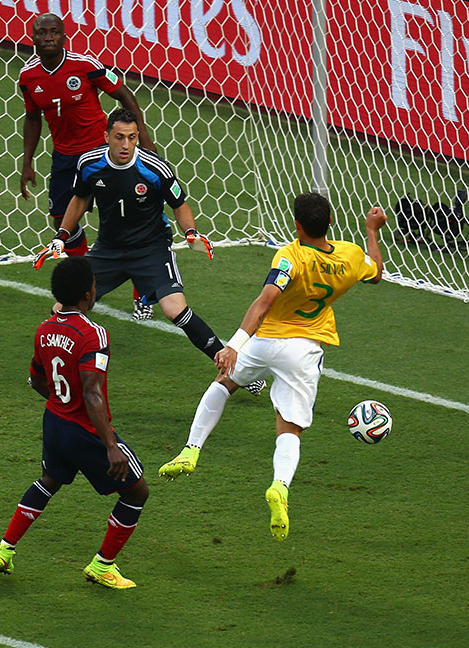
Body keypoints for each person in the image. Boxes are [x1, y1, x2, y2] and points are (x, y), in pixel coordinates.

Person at [159, 193, 387, 542]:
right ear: (330, 221)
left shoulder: (289, 256)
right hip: (305, 350)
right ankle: (279, 488)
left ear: (297, 226)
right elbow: (376, 273)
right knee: (289, 428)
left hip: (266, 341)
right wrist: (372, 230)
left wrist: (233, 346)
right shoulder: (351, 256)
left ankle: (191, 449)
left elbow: (265, 301)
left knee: (223, 383)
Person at [33, 107, 266, 396]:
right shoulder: (89, 164)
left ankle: (238, 371)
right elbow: (80, 200)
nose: (126, 145)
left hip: (151, 249)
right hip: (108, 250)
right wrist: (61, 237)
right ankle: (43, 373)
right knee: (61, 308)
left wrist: (191, 232)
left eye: (132, 137)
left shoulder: (155, 168)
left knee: (174, 310)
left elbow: (179, 204)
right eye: (119, 137)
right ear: (107, 137)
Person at [0, 256, 149, 589]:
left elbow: (36, 380)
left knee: (49, 480)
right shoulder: (94, 335)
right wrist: (110, 446)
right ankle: (103, 566)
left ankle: (4, 550)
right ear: (89, 294)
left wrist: (60, 402)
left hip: (55, 423)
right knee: (136, 492)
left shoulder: (44, 329)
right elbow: (92, 394)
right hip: (86, 431)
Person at [19, 13, 156, 320]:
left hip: (99, 154)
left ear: (64, 35)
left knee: (128, 220)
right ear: (34, 37)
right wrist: (27, 162)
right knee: (61, 221)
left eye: (54, 32)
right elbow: (32, 118)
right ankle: (89, 279)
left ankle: (144, 294)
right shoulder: (28, 77)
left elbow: (124, 95)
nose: (48, 37)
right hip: (65, 158)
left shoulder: (85, 65)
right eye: (42, 33)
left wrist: (143, 137)